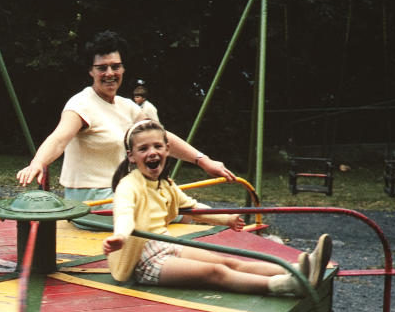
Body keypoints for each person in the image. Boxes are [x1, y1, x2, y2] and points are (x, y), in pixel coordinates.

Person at [102, 119, 332, 295]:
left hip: (165, 245)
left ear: (167, 150)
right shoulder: (128, 185)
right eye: (143, 149)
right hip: (144, 260)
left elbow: (193, 207)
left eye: (157, 146)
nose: (151, 152)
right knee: (215, 272)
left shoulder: (165, 184)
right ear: (132, 157)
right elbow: (124, 214)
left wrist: (227, 218)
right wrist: (120, 237)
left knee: (228, 261)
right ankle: (285, 285)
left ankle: (300, 269)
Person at [16, 31, 233, 206]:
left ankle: (228, 229)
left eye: (115, 66)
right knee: (160, 205)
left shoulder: (127, 106)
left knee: (180, 201)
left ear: (123, 68)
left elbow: (162, 138)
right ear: (91, 71)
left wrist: (203, 161)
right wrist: (37, 163)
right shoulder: (81, 104)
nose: (110, 73)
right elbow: (59, 138)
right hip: (91, 202)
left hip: (120, 192)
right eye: (102, 68)